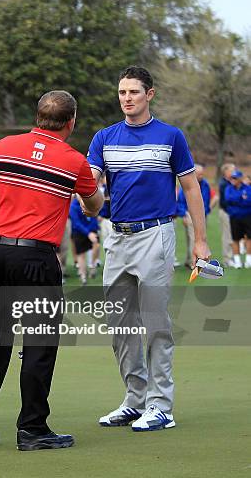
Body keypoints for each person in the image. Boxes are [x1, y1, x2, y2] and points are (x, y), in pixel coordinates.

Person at [0, 90, 103, 451]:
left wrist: (11, 197)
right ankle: (32, 427)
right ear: (71, 122)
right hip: (36, 256)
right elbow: (94, 205)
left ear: (37, 116)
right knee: (38, 341)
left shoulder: (6, 145)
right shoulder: (73, 158)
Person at [88, 66, 210, 432]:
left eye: (134, 92)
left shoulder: (170, 136)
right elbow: (89, 186)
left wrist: (200, 241)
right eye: (122, 92)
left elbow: (191, 190)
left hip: (156, 235)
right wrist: (87, 200)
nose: (127, 98)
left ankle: (161, 406)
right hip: (117, 238)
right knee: (119, 323)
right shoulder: (104, 138)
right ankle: (134, 399)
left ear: (149, 95)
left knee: (156, 324)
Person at [176, 164, 212, 268]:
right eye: (199, 174)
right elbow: (181, 202)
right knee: (193, 238)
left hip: (202, 213)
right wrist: (183, 215)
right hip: (190, 214)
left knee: (198, 237)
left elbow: (207, 199)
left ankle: (190, 260)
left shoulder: (205, 184)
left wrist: (207, 211)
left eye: (202, 174)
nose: (201, 176)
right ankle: (195, 262)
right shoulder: (187, 185)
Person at [69, 195, 100, 285]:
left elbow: (94, 216)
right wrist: (88, 233)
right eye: (80, 195)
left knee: (96, 245)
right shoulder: (73, 206)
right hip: (79, 231)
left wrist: (92, 231)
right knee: (81, 254)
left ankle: (92, 266)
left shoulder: (90, 202)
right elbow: (76, 223)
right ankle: (83, 276)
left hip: (90, 229)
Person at [224, 169, 251, 268]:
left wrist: (237, 200)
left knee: (249, 238)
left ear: (240, 179)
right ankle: (237, 261)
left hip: (247, 216)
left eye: (235, 178)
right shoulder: (229, 188)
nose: (233, 180)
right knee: (235, 239)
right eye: (232, 178)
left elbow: (249, 201)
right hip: (235, 217)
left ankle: (248, 260)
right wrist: (240, 197)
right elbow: (228, 199)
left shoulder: (248, 188)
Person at [217, 163, 236, 267]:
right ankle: (227, 259)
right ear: (226, 172)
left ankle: (232, 257)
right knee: (227, 236)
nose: (234, 172)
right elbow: (225, 201)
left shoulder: (231, 182)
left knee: (232, 235)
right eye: (232, 170)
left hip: (232, 212)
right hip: (226, 212)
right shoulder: (224, 184)